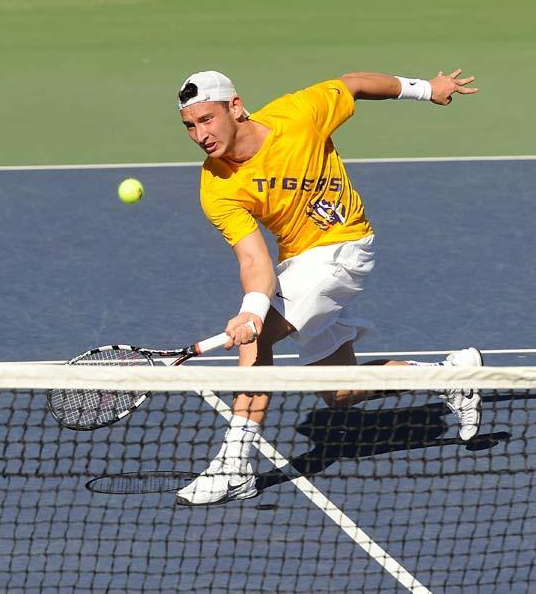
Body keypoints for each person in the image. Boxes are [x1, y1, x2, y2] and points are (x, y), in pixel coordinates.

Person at [174, 69, 481, 506]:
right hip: (298, 261)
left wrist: (428, 90)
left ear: (236, 108)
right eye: (190, 125)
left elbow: (354, 83)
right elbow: (253, 260)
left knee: (257, 342)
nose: (200, 134)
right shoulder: (216, 185)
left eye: (207, 119)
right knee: (340, 392)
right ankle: (451, 377)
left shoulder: (299, 115)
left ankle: (235, 468)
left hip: (344, 247)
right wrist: (253, 305)